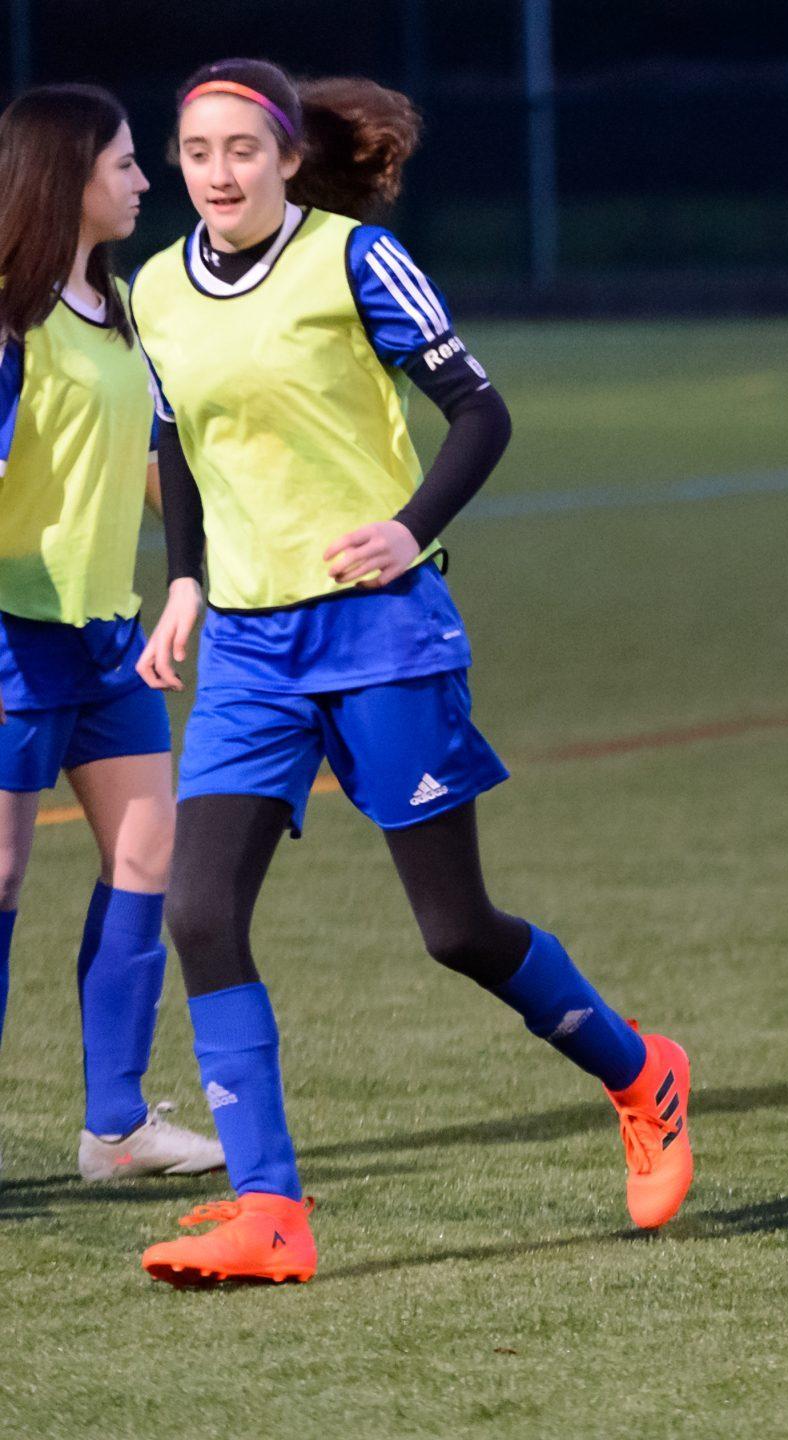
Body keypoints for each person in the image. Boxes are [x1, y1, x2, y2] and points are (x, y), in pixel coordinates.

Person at [127, 59, 694, 1287]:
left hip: (381, 635)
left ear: (285, 158)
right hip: (246, 647)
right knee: (200, 912)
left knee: (454, 930)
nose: (217, 173)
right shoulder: (157, 288)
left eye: (241, 150)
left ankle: (644, 1074)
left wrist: (406, 525)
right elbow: (176, 441)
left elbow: (480, 414)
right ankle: (270, 1212)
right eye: (196, 152)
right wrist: (182, 582)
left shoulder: (355, 261)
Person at [0, 84, 221, 1184]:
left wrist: (202, 565)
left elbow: (144, 464)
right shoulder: (6, 316)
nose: (146, 180)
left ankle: (116, 1128)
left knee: (146, 854)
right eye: (128, 164)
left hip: (104, 638)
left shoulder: (119, 304)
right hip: (11, 642)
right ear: (66, 175)